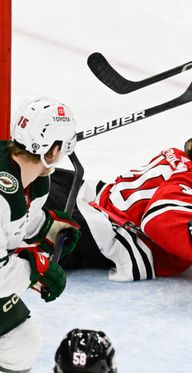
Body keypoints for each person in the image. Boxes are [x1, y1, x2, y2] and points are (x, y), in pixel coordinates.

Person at [46, 124, 192, 281]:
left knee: (36, 176)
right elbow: (160, 220)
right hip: (111, 232)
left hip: (96, 199)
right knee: (35, 218)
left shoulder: (175, 157)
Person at [0, 97, 80, 372]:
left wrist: (48, 229)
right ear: (55, 149)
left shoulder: (31, 178)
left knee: (20, 342)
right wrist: (37, 268)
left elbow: (21, 223)